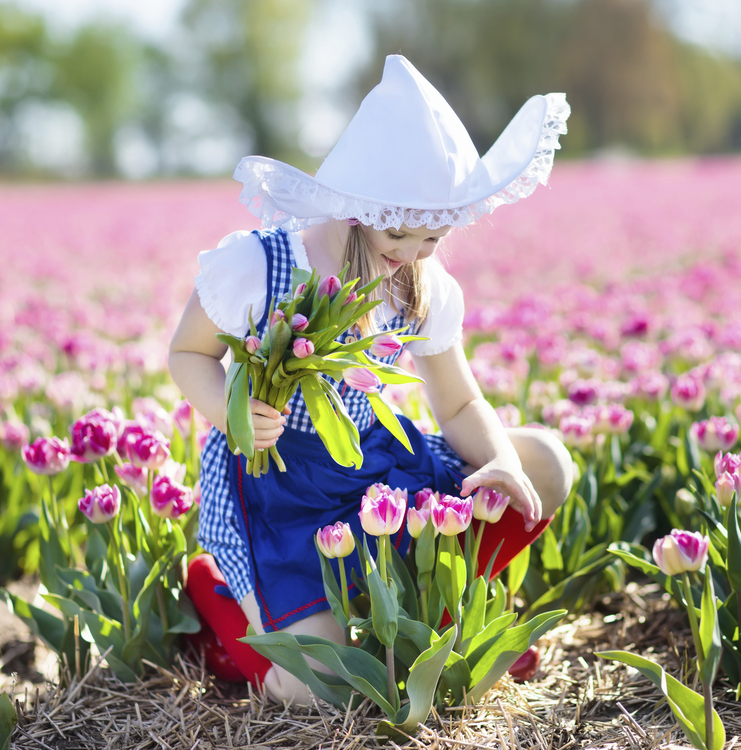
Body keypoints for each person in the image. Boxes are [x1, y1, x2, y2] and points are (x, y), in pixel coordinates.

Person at [167, 55, 573, 704]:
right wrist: (231, 413)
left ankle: (449, 625)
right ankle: (222, 614)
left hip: (370, 463)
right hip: (275, 485)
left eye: (433, 237)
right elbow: (187, 356)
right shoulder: (263, 266)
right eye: (400, 231)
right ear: (355, 206)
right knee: (328, 691)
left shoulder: (421, 285)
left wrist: (498, 461)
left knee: (546, 464)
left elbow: (460, 399)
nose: (413, 252)